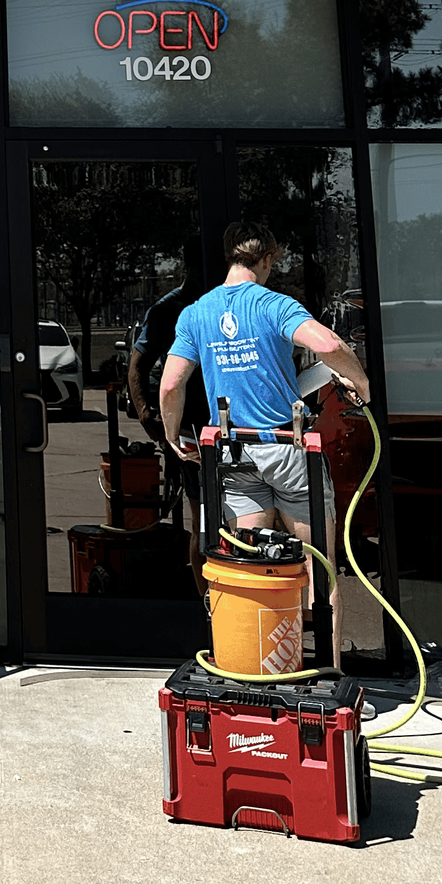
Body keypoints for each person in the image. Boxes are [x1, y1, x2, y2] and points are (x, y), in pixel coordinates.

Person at [157, 220, 370, 659]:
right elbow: (328, 344)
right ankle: (327, 675)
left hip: (236, 457)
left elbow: (170, 386)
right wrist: (361, 382)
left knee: (251, 569)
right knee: (319, 572)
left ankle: (254, 664)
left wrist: (170, 431)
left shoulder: (197, 313)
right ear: (268, 258)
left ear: (230, 257)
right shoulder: (274, 305)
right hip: (288, 451)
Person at [128, 239, 206, 581]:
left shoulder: (223, 303)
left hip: (234, 422)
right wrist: (148, 415)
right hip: (189, 429)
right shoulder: (167, 309)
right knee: (202, 520)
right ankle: (206, 605)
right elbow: (137, 366)